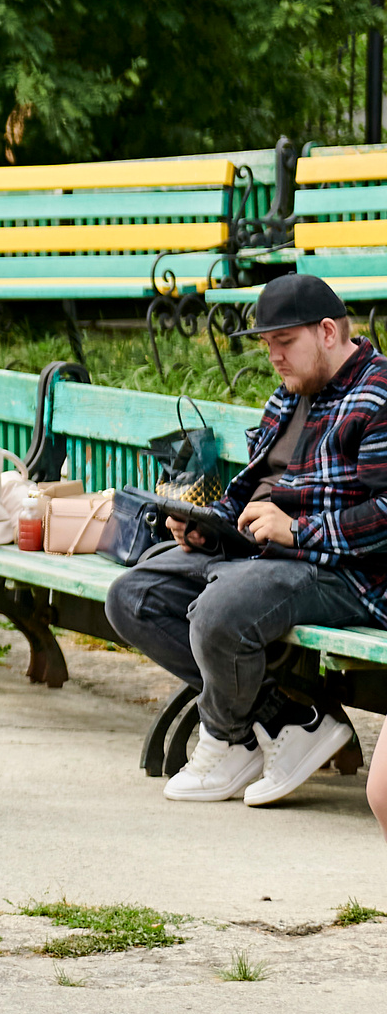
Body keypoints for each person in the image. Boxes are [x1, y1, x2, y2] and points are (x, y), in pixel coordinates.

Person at [105, 274, 387, 808]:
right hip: (263, 554)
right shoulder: (289, 395)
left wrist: (299, 530)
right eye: (267, 346)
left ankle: (224, 735)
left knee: (217, 614)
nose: (274, 357)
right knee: (131, 597)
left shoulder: (378, 396)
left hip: (344, 572)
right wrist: (208, 523)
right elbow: (256, 488)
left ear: (328, 331)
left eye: (285, 343)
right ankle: (286, 721)